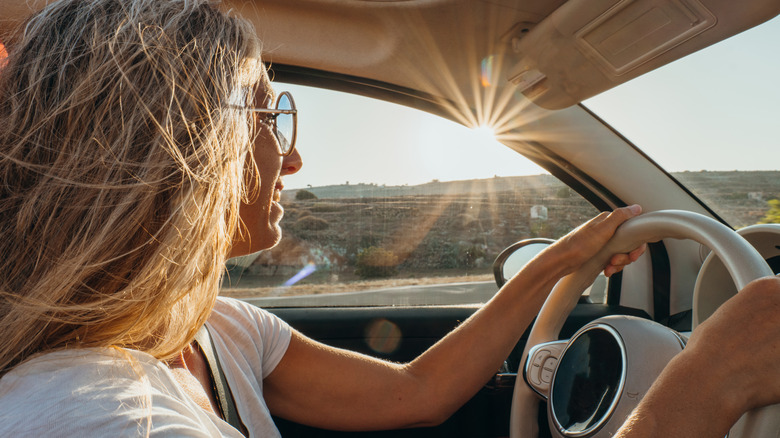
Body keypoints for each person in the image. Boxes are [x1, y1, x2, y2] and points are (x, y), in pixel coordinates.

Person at [0, 0, 777, 437]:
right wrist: (706, 382)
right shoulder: (96, 418)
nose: (294, 163)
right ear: (189, 152)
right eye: (274, 119)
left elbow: (415, 391)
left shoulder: (214, 326)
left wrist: (552, 266)